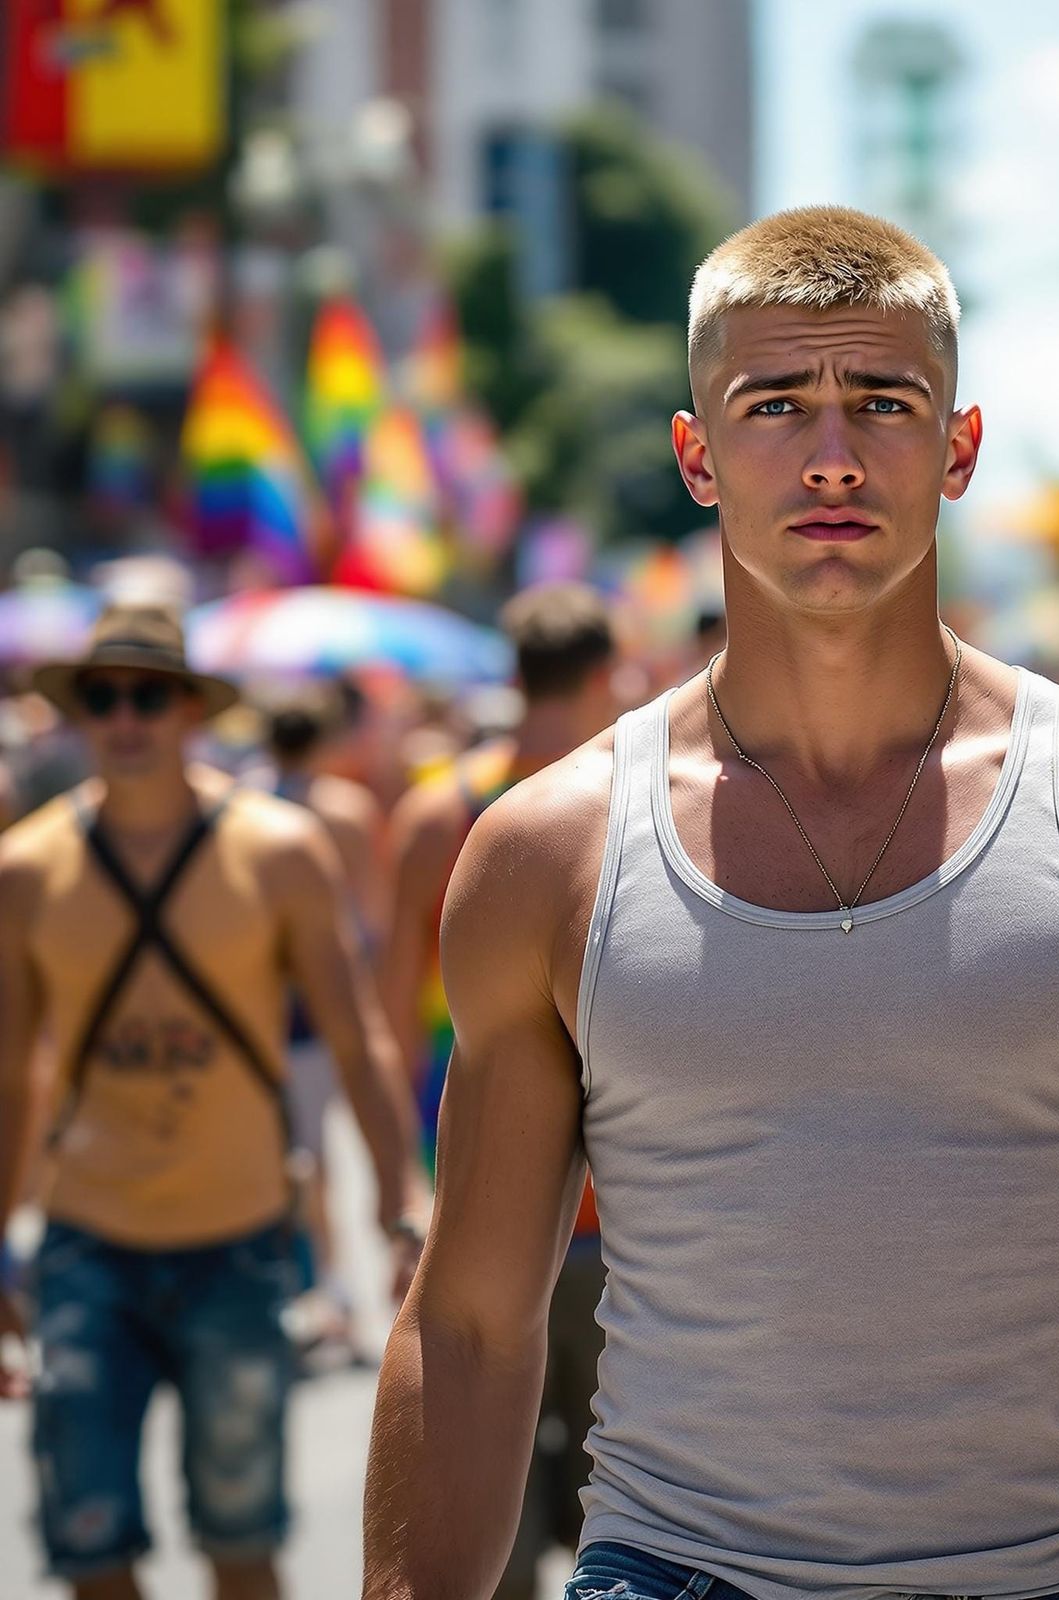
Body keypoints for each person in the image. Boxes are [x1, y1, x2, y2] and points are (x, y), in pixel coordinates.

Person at [363, 207, 1059, 1600]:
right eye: (775, 404)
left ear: (958, 449)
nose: (832, 453)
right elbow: (470, 1328)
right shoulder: (549, 852)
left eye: (883, 404)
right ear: (698, 455)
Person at [0, 602, 427, 1599]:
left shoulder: (279, 851)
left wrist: (397, 1189)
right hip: (84, 1243)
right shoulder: (25, 870)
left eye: (148, 693)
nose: (125, 716)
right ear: (78, 713)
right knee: (90, 1543)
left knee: (243, 1541)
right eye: (102, 696)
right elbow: (12, 1066)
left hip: (235, 1240)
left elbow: (356, 1029)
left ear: (190, 708)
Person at [381, 582, 617, 1598]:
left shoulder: (443, 814)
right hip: (628, 1211)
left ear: (509, 676)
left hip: (480, 1193)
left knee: (496, 1530)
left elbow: (394, 1014)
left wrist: (400, 1182)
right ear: (605, 673)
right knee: (631, 1515)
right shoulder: (636, 802)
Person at [250, 681, 392, 1362]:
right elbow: (373, 918)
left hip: (270, 1004)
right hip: (328, 1000)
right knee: (323, 1154)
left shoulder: (250, 807)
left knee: (295, 1153)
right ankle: (335, 1292)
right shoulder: (345, 809)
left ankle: (324, 1290)